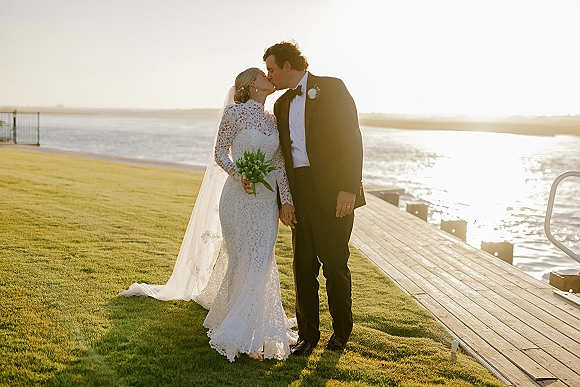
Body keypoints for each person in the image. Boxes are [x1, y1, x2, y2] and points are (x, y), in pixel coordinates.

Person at [121, 67, 298, 362]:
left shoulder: (273, 119)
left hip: (266, 201)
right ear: (253, 83)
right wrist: (238, 172)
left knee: (261, 259)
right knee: (242, 258)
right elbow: (219, 152)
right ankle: (241, 326)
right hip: (238, 197)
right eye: (265, 75)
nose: (271, 77)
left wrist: (285, 202)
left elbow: (279, 165)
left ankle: (252, 325)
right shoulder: (234, 113)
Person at [263, 41, 365, 356]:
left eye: (271, 68)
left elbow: (351, 137)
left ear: (288, 65)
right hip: (299, 194)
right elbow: (282, 159)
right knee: (302, 266)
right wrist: (285, 200)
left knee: (335, 265)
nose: (270, 76)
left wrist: (349, 187)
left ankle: (341, 334)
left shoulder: (331, 88)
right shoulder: (280, 106)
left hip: (335, 192)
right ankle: (307, 336)